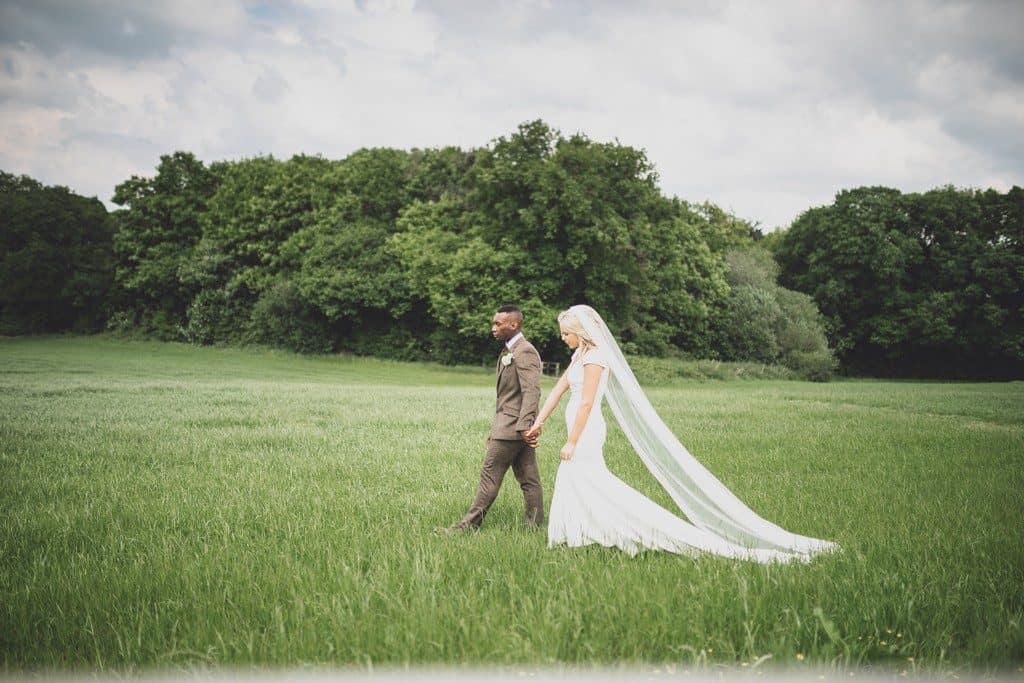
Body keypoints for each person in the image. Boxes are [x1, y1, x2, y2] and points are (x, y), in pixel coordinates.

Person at [524, 305, 838, 562]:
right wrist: (539, 421)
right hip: (576, 427)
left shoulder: (594, 359)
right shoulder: (578, 357)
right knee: (578, 480)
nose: (563, 338)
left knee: (589, 479)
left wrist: (572, 440)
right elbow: (560, 390)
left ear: (581, 333)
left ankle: (620, 530)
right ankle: (579, 534)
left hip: (587, 430)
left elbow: (587, 403)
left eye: (566, 333)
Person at [437, 305, 544, 533]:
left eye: (498, 323)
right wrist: (496, 430)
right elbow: (508, 397)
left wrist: (525, 426)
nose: (493, 328)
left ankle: (466, 528)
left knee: (489, 476)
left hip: (513, 429)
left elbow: (532, 391)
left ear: (513, 325)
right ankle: (534, 528)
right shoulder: (508, 351)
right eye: (493, 323)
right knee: (529, 478)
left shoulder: (524, 351)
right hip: (509, 427)